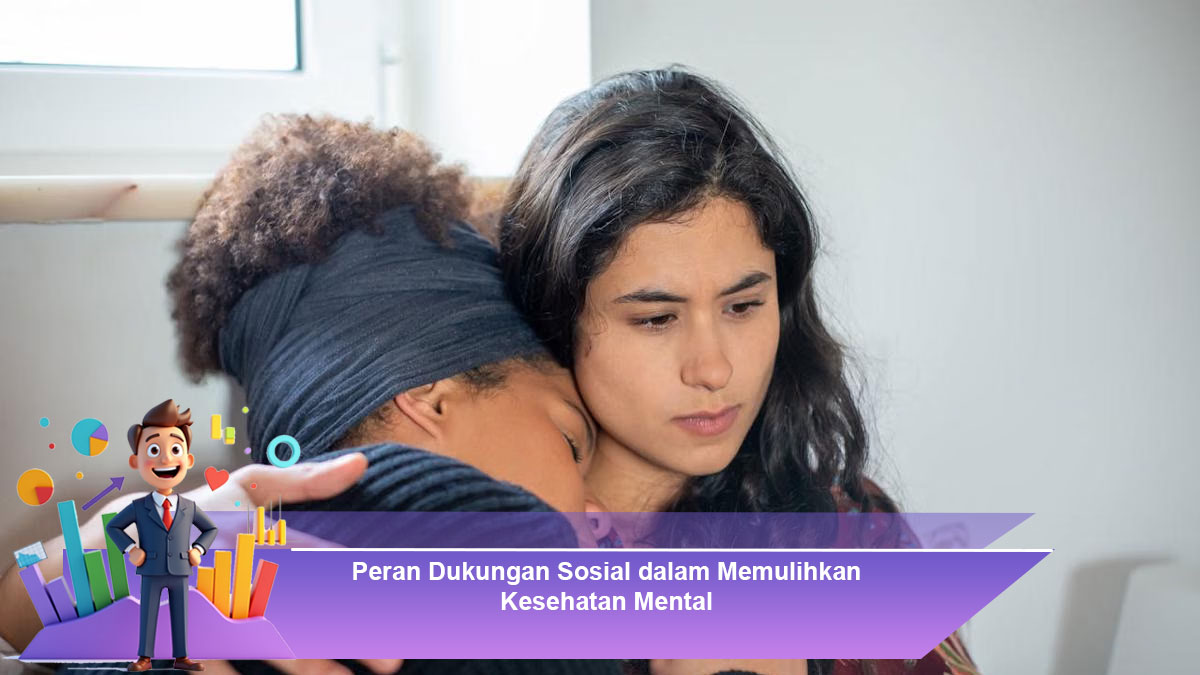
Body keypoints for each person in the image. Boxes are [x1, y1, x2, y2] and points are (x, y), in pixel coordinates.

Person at [498, 67, 980, 675]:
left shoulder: (852, 527)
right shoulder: (482, 557)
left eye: (743, 306)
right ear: (555, 315)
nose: (714, 368)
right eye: (656, 319)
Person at [107, 399, 218, 672]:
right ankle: (144, 657)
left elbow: (210, 529)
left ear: (188, 459)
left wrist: (198, 549)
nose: (166, 459)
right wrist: (131, 549)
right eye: (154, 450)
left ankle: (182, 656)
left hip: (181, 568)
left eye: (175, 449)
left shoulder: (190, 507)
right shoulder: (138, 507)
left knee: (181, 614)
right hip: (151, 569)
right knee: (149, 614)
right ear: (135, 461)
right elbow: (113, 527)